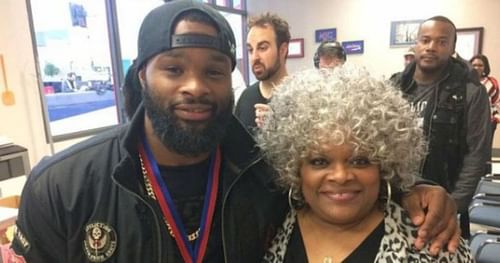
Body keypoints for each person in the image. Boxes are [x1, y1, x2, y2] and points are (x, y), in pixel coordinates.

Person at [13, 2, 460, 261]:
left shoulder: (263, 175)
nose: (195, 86)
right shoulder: (62, 185)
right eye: (173, 69)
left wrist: (414, 188)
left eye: (214, 71)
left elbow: (338, 183)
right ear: (141, 77)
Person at [257, 67, 473, 262]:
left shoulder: (432, 244)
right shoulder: (267, 226)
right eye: (319, 161)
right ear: (294, 168)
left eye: (360, 161)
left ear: (385, 163)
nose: (341, 176)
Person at [391, 15, 491, 239]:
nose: (431, 47)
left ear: (452, 48)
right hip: (395, 197)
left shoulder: (470, 91)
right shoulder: (394, 85)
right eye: (425, 40)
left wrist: (452, 206)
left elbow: (477, 153)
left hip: (441, 202)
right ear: (416, 44)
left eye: (441, 42)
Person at [235, 12, 290, 133]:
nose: (254, 57)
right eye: (250, 50)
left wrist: (280, 129)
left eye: (262, 48)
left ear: (282, 50)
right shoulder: (246, 98)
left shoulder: (302, 99)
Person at [470, 54, 500, 153]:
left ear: (485, 67)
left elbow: (496, 102)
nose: (477, 67)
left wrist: (495, 118)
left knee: (484, 152)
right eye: (474, 65)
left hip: (487, 122)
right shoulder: (465, 82)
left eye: (480, 65)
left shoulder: (492, 83)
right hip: (469, 121)